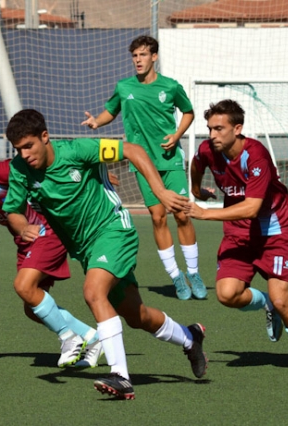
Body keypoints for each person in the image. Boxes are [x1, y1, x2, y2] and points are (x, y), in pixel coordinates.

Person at [3, 109, 207, 400]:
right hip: (87, 249)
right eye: (18, 149)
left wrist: (160, 192)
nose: (24, 154)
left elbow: (132, 150)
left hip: (113, 230)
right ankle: (190, 338)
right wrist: (22, 226)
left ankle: (121, 377)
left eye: (28, 146)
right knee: (137, 316)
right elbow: (12, 209)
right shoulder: (20, 169)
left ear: (45, 137)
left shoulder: (78, 150)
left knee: (93, 292)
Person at [0, 144, 103, 369]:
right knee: (32, 307)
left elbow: (44, 165)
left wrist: (83, 177)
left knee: (24, 286)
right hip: (25, 241)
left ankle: (69, 338)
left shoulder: (0, 172)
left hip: (47, 229)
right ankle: (92, 338)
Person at [187, 99, 288, 373]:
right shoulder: (208, 149)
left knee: (283, 300)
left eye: (219, 129)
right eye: (210, 128)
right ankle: (265, 303)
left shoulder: (256, 155)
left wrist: (205, 212)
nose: (212, 135)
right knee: (227, 295)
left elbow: (252, 207)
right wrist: (197, 188)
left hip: (274, 233)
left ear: (238, 128)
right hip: (238, 234)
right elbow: (196, 163)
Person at [81, 35, 206, 301]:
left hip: (170, 160)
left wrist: (177, 135)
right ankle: (176, 277)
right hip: (142, 164)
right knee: (158, 217)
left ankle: (193, 272)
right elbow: (110, 111)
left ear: (154, 57)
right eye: (134, 56)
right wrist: (96, 122)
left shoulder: (170, 87)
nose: (138, 60)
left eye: (142, 55)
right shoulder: (124, 87)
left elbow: (189, 111)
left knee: (182, 214)